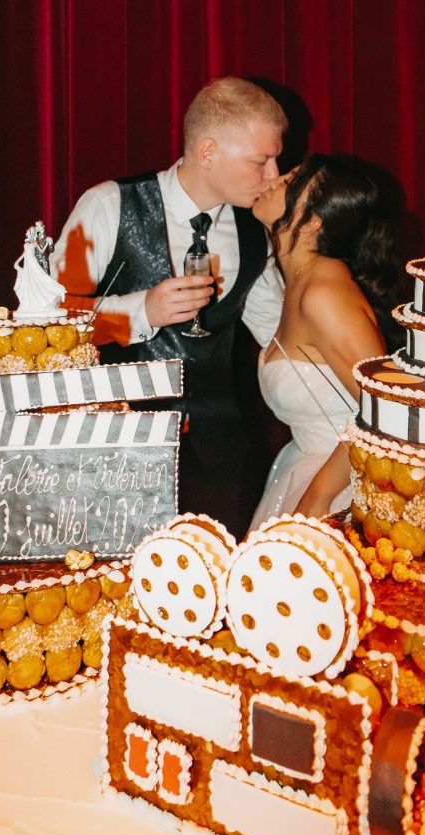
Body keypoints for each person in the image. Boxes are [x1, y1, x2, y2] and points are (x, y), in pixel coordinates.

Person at [51, 76, 288, 538]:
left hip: (218, 460)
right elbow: (47, 324)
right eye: (262, 160)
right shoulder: (108, 205)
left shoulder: (252, 232)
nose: (274, 176)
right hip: (115, 455)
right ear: (207, 153)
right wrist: (143, 312)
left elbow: (281, 333)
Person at [248, 153, 405, 529]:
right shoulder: (299, 279)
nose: (273, 178)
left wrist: (319, 494)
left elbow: (389, 408)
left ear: (312, 221)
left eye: (289, 181)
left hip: (339, 491)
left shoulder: (324, 292)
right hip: (303, 467)